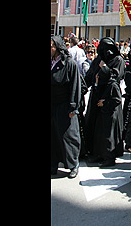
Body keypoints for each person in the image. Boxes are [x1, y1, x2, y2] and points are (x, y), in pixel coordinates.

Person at [83, 37, 126, 168]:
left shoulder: (118, 60)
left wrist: (105, 68)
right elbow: (89, 76)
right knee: (95, 125)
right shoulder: (98, 60)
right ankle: (96, 152)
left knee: (108, 128)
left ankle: (109, 155)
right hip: (96, 95)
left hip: (109, 95)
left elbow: (115, 76)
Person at [51, 36, 82, 178]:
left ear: (57, 47)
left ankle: (73, 164)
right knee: (53, 136)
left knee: (68, 137)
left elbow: (75, 87)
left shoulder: (69, 64)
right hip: (52, 104)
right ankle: (53, 164)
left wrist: (73, 107)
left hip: (65, 105)